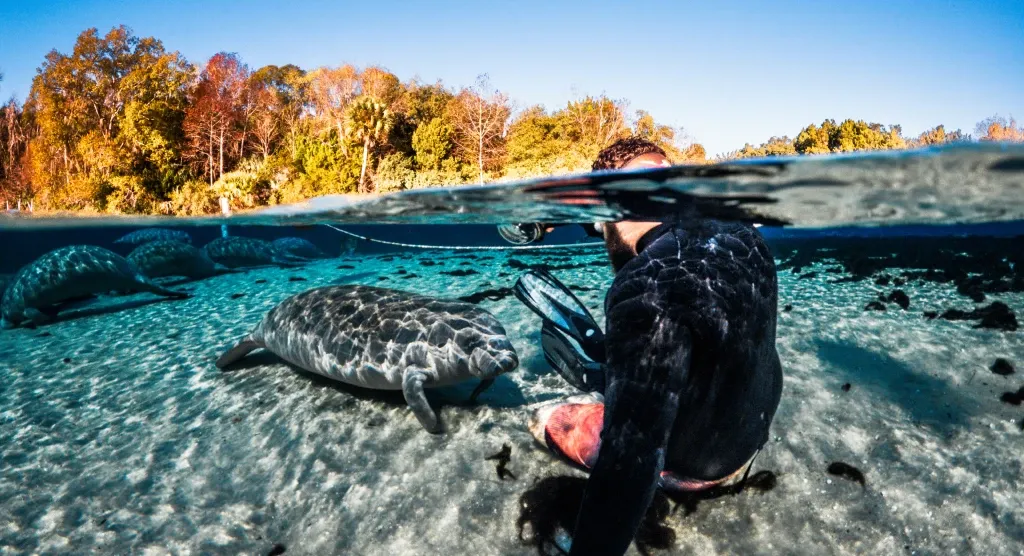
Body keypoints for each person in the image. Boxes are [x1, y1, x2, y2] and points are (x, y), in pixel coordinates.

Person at [514, 137, 783, 555]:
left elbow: (631, 463)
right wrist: (555, 220)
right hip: (748, 436)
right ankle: (615, 370)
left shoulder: (646, 285)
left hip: (697, 467)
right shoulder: (742, 234)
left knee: (548, 418)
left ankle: (600, 378)